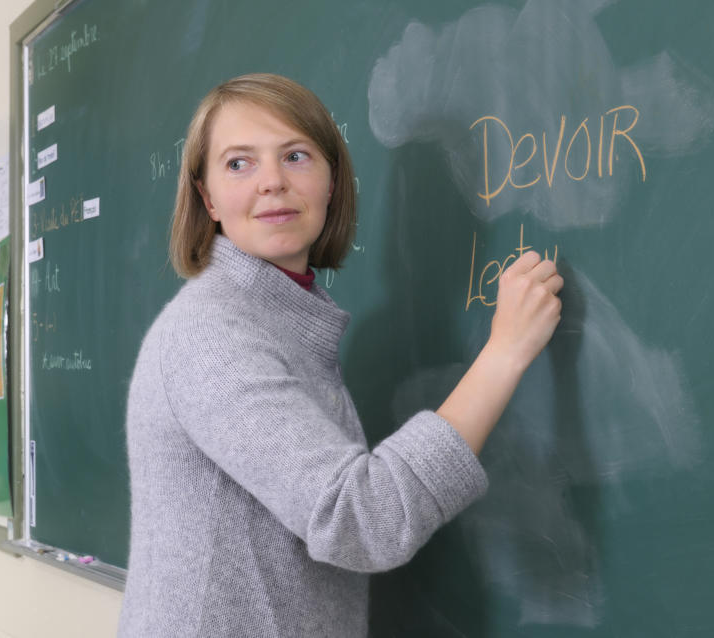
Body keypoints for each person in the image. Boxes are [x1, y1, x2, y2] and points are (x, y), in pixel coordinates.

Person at [117, 73, 562, 637]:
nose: (272, 182)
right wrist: (505, 353)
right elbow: (359, 519)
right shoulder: (211, 332)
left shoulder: (280, 316)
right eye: (238, 163)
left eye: (296, 156)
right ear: (207, 198)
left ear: (332, 181)